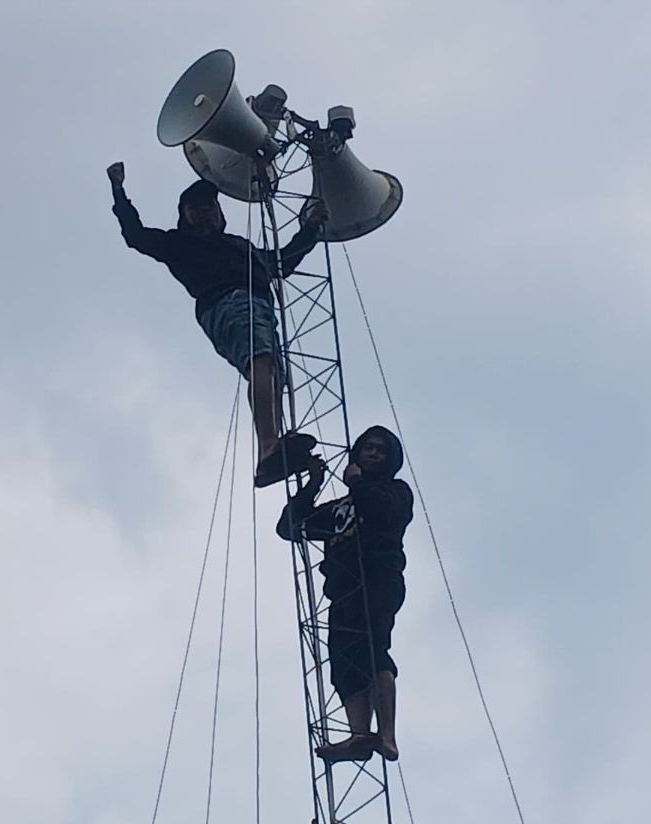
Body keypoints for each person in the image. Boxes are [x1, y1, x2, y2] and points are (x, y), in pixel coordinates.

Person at [106, 161, 329, 487]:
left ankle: (272, 449)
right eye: (195, 209)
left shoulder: (241, 246)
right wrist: (119, 191)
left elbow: (281, 263)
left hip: (258, 306)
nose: (205, 212)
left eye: (209, 206)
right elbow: (136, 235)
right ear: (184, 216)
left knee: (270, 373)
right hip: (228, 303)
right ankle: (269, 446)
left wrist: (310, 230)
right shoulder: (179, 245)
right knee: (261, 362)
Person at [276, 426, 413, 762]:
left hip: (378, 579)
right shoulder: (341, 507)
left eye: (380, 450)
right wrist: (313, 484)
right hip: (342, 589)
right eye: (367, 448)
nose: (373, 454)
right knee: (345, 662)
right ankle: (359, 735)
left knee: (373, 649)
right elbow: (291, 527)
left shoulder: (396, 492)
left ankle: (387, 735)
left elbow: (383, 511)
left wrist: (356, 482)